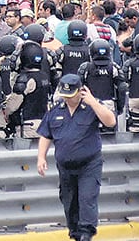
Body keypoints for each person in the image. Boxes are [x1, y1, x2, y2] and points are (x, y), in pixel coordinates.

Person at [37, 74, 117, 241]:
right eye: (64, 95)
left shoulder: (91, 106)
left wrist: (93, 102)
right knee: (69, 201)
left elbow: (111, 122)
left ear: (80, 91)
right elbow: (46, 134)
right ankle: (75, 233)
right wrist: (41, 158)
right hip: (65, 167)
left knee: (87, 198)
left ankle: (86, 234)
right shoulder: (56, 110)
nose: (67, 98)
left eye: (70, 95)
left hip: (89, 164)